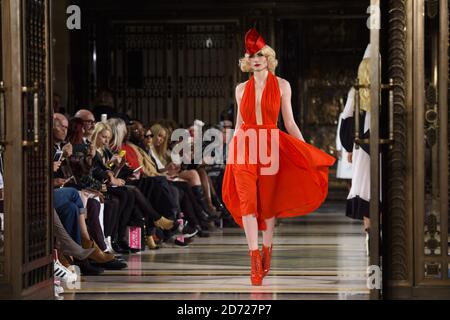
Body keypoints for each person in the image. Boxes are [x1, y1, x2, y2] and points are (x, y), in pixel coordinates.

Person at [221, 28, 335, 286]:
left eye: (260, 54)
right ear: (247, 61)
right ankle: (254, 259)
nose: (256, 59)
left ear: (268, 57)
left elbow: (290, 123)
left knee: (268, 205)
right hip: (245, 148)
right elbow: (239, 123)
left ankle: (267, 249)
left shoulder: (283, 85)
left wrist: (306, 151)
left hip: (271, 146)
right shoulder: (241, 89)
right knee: (248, 203)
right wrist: (231, 148)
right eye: (251, 55)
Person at [339, 44, 374, 256]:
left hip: (362, 148)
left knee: (366, 191)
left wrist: (348, 147)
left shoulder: (356, 91)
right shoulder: (389, 86)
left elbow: (346, 118)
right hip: (384, 146)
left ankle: (369, 232)